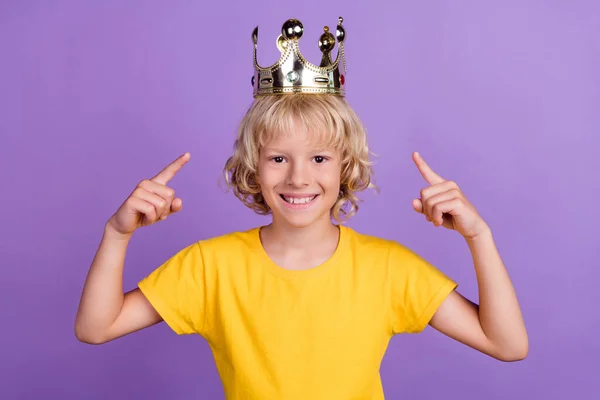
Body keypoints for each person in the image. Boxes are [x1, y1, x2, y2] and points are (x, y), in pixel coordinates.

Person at [75, 17, 528, 399]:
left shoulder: (387, 268)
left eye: (319, 158)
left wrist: (478, 236)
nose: (297, 178)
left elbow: (507, 345)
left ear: (344, 166)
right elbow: (96, 328)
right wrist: (117, 234)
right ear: (253, 167)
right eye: (278, 158)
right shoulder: (210, 267)